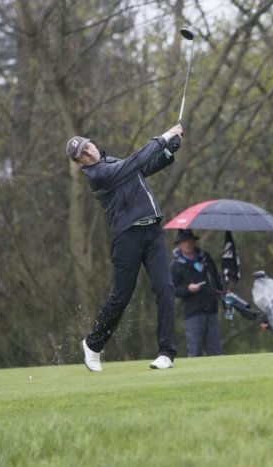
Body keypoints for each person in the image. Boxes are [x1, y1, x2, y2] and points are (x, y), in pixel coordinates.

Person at [65, 123, 183, 372]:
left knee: (165, 288)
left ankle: (166, 353)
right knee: (122, 295)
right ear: (80, 163)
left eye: (88, 146)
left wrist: (168, 151)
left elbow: (145, 167)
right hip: (127, 236)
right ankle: (94, 344)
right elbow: (134, 163)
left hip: (152, 231)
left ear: (92, 144)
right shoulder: (97, 175)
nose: (89, 152)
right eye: (82, 154)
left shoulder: (111, 162)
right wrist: (163, 138)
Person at [170, 229, 224, 357]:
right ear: (179, 245)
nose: (188, 244)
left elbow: (216, 280)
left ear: (194, 242)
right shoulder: (175, 266)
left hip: (211, 308)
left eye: (190, 241)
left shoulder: (205, 258)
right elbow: (173, 289)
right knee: (195, 349)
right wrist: (188, 289)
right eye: (184, 242)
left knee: (215, 349)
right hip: (192, 311)